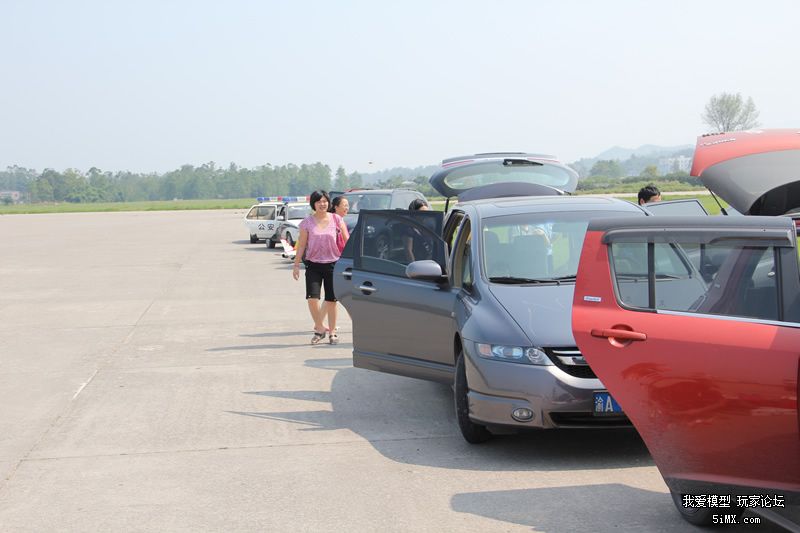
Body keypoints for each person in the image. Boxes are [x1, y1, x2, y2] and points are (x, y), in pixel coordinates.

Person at [292, 190, 349, 345]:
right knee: (312, 298)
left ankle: (332, 332)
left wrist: (353, 261)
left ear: (328, 203)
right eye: (319, 202)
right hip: (313, 265)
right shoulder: (307, 223)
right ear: (313, 204)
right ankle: (319, 328)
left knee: (331, 300)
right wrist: (296, 264)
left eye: (324, 201)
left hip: (333, 265)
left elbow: (347, 240)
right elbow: (302, 245)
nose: (322, 204)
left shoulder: (337, 219)